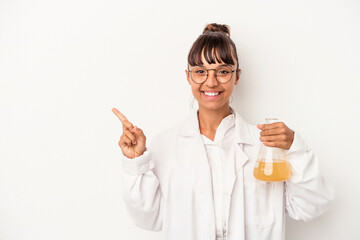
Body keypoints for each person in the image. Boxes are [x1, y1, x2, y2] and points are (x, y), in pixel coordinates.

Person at [112, 23, 334, 240]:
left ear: (237, 76)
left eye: (223, 71)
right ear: (188, 76)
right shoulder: (165, 145)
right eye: (200, 71)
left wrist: (295, 148)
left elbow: (310, 207)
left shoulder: (265, 146)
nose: (211, 82)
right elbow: (148, 219)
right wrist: (136, 162)